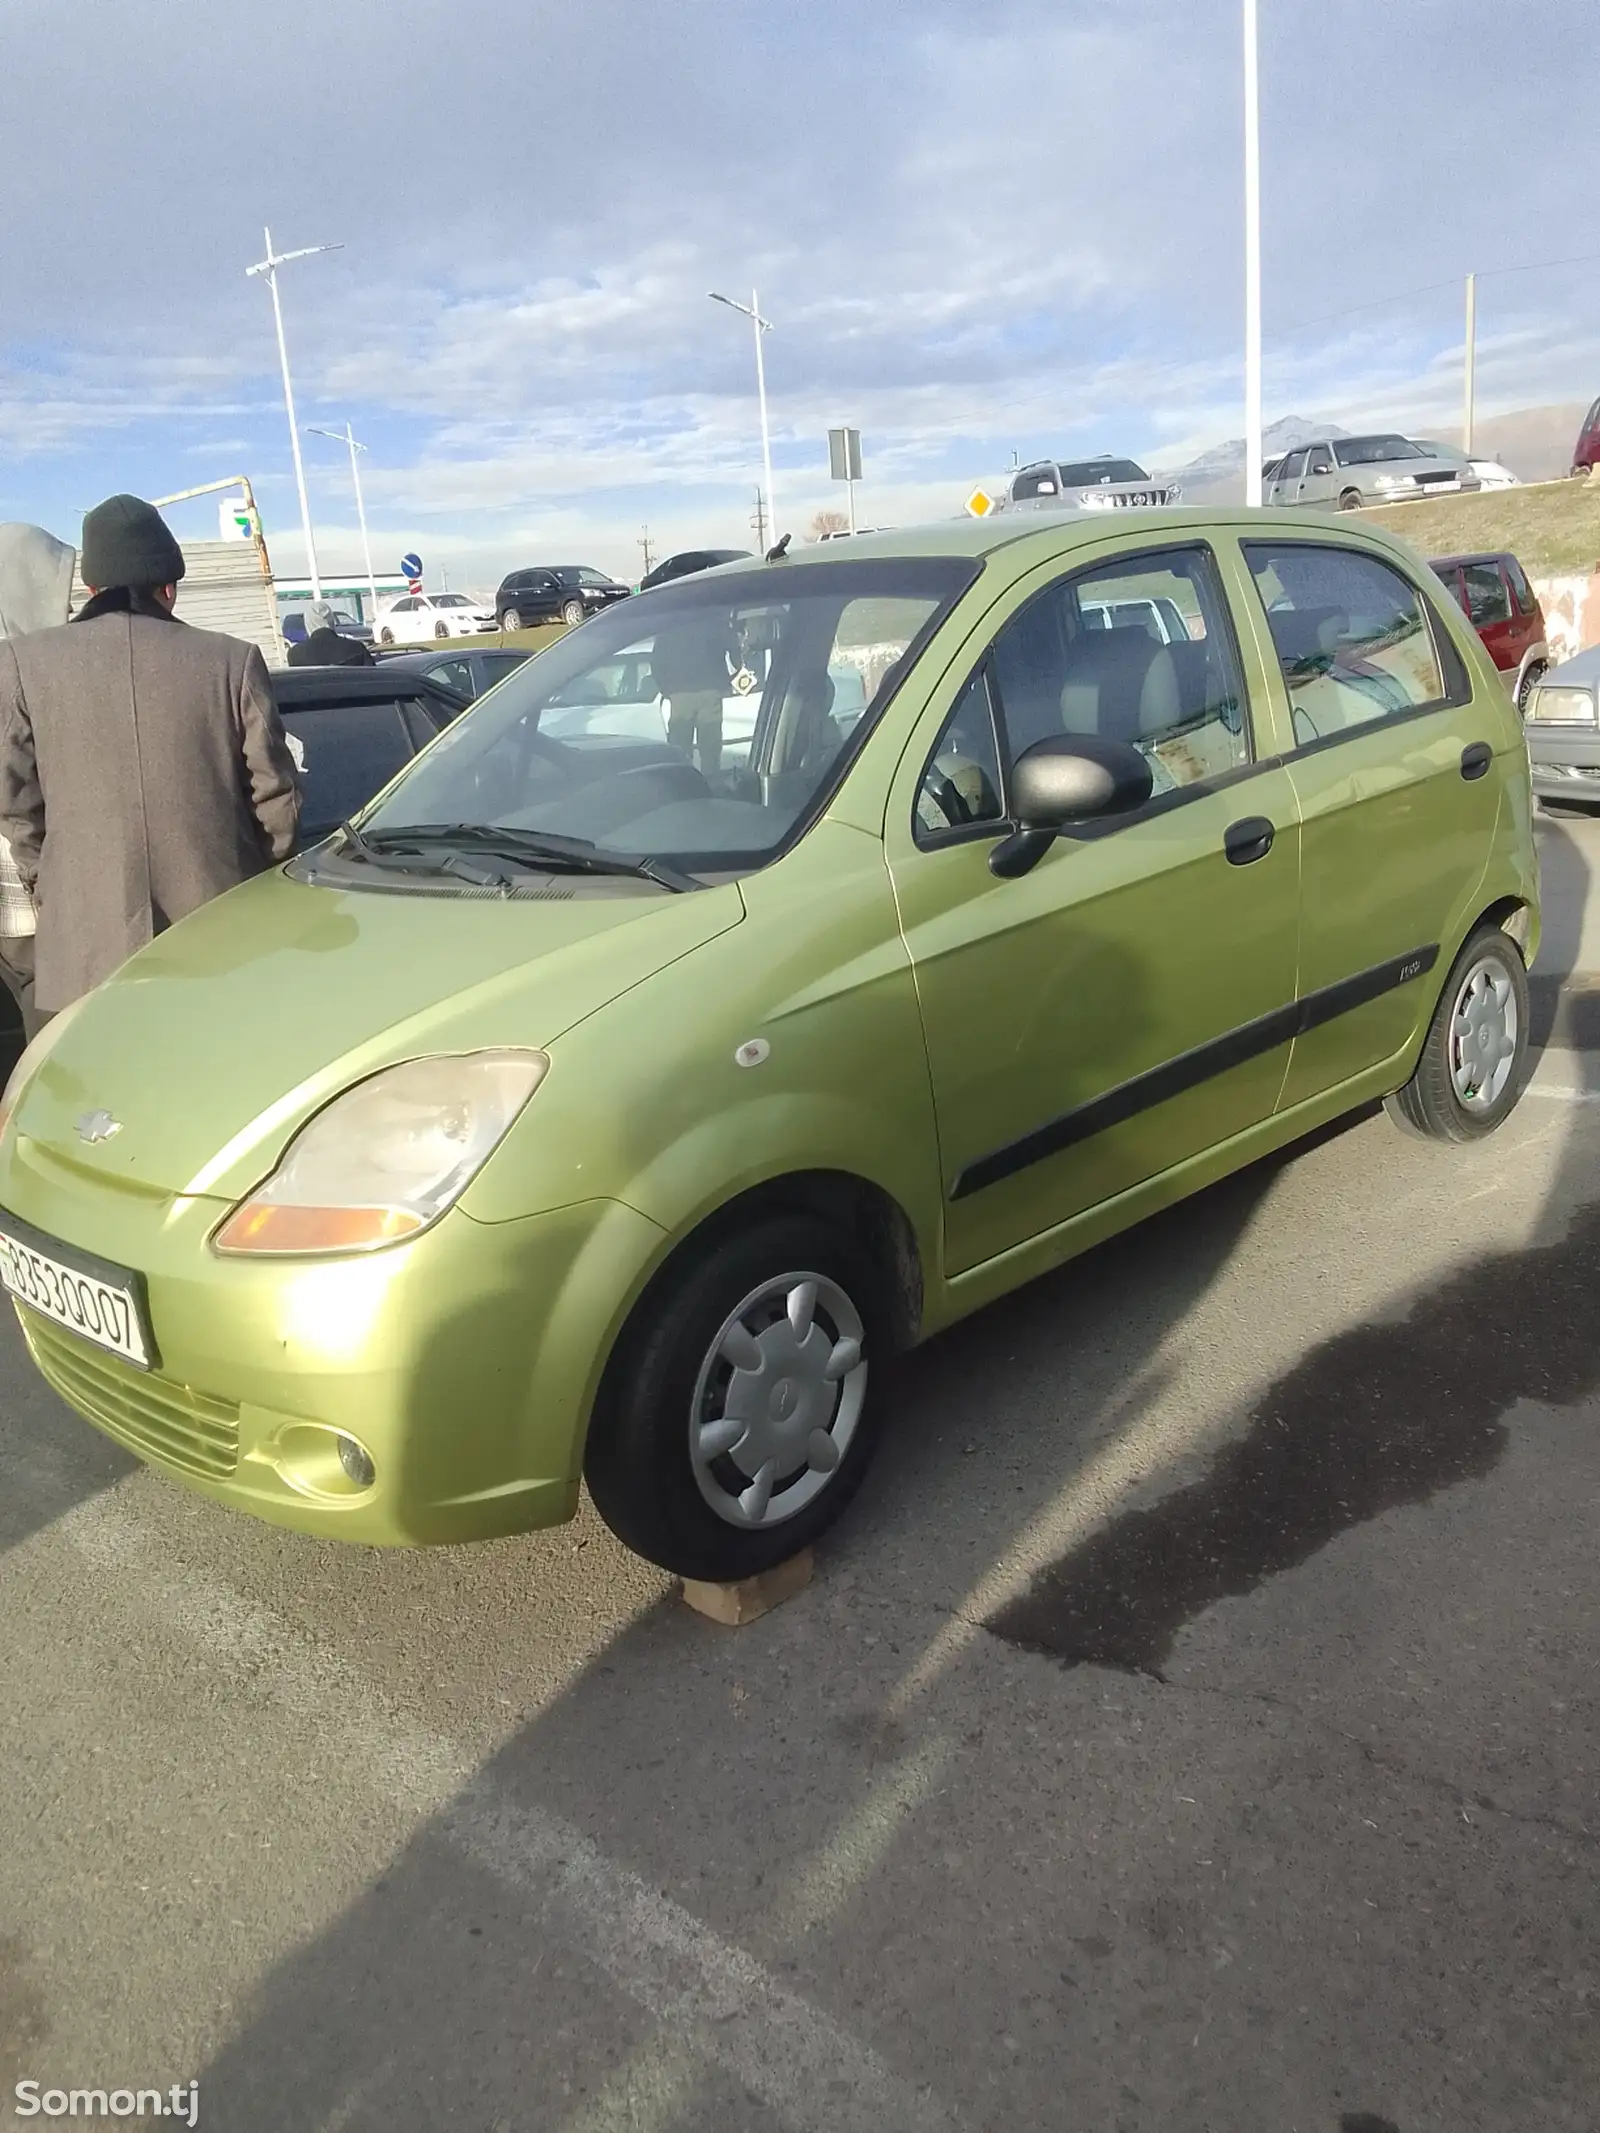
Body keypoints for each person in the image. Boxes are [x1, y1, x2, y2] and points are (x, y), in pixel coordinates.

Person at [0, 493, 301, 1019]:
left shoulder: (24, 663)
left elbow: (17, 803)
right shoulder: (232, 661)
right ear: (169, 587)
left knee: (85, 1090)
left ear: (91, 586)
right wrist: (246, 875)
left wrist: (52, 879)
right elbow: (277, 798)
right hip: (219, 937)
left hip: (81, 949)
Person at [0, 523, 75, 1038]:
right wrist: (42, 876)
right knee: (54, 1032)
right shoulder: (26, 672)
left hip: (22, 903)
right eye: (59, 589)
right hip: (34, 899)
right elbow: (19, 798)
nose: (68, 608)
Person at [286, 598, 373, 667]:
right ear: (332, 621)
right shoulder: (356, 648)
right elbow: (373, 679)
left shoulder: (295, 654)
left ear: (308, 623)